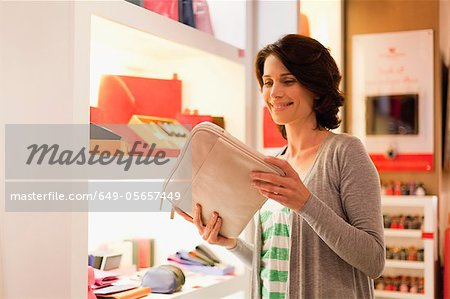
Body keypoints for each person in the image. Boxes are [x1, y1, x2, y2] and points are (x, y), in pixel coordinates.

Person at [176, 34, 385, 298]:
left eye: (288, 81)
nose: (274, 93)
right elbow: (275, 264)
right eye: (267, 82)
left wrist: (306, 203)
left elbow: (374, 261)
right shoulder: (272, 163)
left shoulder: (345, 153)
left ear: (316, 87)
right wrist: (231, 244)